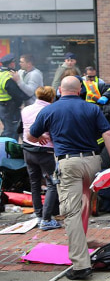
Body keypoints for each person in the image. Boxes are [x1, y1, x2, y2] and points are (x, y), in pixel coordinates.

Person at [29, 76, 110, 280]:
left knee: (71, 212)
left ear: (60, 89)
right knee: (85, 203)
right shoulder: (92, 108)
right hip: (93, 161)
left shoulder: (50, 110)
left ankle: (80, 265)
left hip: (68, 164)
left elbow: (31, 135)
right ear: (80, 90)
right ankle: (82, 239)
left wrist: (42, 137)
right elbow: (107, 134)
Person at [21, 86, 60, 230]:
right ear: (51, 97)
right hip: (46, 151)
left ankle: (38, 214)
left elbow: (22, 129)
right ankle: (47, 219)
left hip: (28, 149)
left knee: (34, 183)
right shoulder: (50, 110)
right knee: (52, 183)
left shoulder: (25, 109)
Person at [0, 54, 29, 138]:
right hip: (9, 107)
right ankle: (5, 148)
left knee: (8, 128)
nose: (15, 64)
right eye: (14, 62)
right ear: (11, 64)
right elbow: (17, 94)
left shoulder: (1, 74)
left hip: (2, 107)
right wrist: (28, 97)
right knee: (11, 130)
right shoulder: (9, 77)